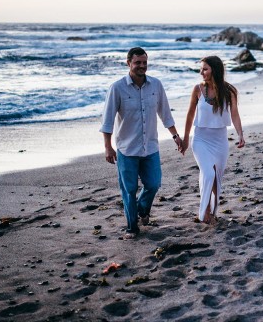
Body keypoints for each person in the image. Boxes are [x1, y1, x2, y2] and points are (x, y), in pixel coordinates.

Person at [100, 47, 183, 239]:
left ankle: (143, 209)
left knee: (153, 184)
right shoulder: (117, 88)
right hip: (126, 149)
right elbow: (107, 120)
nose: (142, 66)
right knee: (128, 191)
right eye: (138, 62)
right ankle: (132, 228)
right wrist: (107, 146)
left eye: (144, 62)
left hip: (150, 147)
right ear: (128, 63)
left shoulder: (156, 85)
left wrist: (175, 136)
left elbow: (165, 113)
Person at [180, 56, 245, 224]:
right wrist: (185, 138)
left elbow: (235, 114)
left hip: (220, 140)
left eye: (205, 69)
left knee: (216, 177)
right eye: (201, 69)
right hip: (200, 139)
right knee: (208, 174)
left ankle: (213, 210)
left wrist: (240, 134)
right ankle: (205, 213)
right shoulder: (197, 89)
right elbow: (189, 115)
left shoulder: (229, 91)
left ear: (214, 70)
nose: (201, 72)